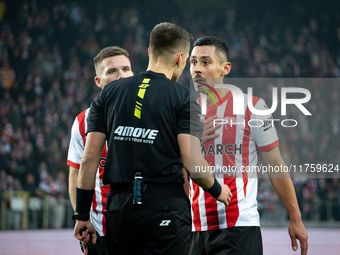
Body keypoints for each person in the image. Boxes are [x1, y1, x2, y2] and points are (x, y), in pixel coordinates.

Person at [73, 22, 232, 255]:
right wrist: (218, 189)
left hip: (119, 209)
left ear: (149, 52)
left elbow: (88, 160)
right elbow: (192, 163)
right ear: (180, 58)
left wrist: (82, 215)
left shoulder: (108, 93)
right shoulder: (183, 98)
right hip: (165, 208)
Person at [188, 36, 308, 255]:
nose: (197, 69)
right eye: (193, 62)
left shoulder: (252, 106)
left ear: (225, 68)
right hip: (194, 230)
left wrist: (296, 218)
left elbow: (275, 164)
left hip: (239, 229)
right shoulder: (184, 113)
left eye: (205, 62)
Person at [67, 46, 134, 255]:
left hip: (141, 228)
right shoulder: (81, 123)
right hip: (99, 231)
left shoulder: (152, 114)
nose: (121, 75)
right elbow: (75, 174)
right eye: (112, 71)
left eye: (126, 69)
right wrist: (82, 217)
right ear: (99, 81)